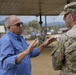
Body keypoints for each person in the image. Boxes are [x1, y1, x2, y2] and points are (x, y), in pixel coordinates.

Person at [51, 2, 76, 75]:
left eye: (65, 15)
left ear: (72, 16)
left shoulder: (65, 38)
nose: (63, 18)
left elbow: (56, 65)